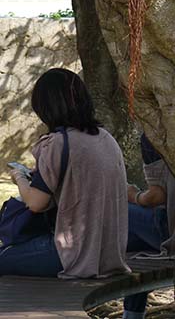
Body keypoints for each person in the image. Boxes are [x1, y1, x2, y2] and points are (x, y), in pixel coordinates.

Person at [0, 68, 129, 278]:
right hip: (109, 256)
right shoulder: (105, 138)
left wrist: (20, 178)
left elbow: (36, 202)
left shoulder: (58, 143)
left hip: (71, 254)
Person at [123, 134, 175, 318]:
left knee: (118, 210)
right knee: (136, 249)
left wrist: (132, 195)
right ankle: (131, 315)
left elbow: (156, 197)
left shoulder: (153, 133)